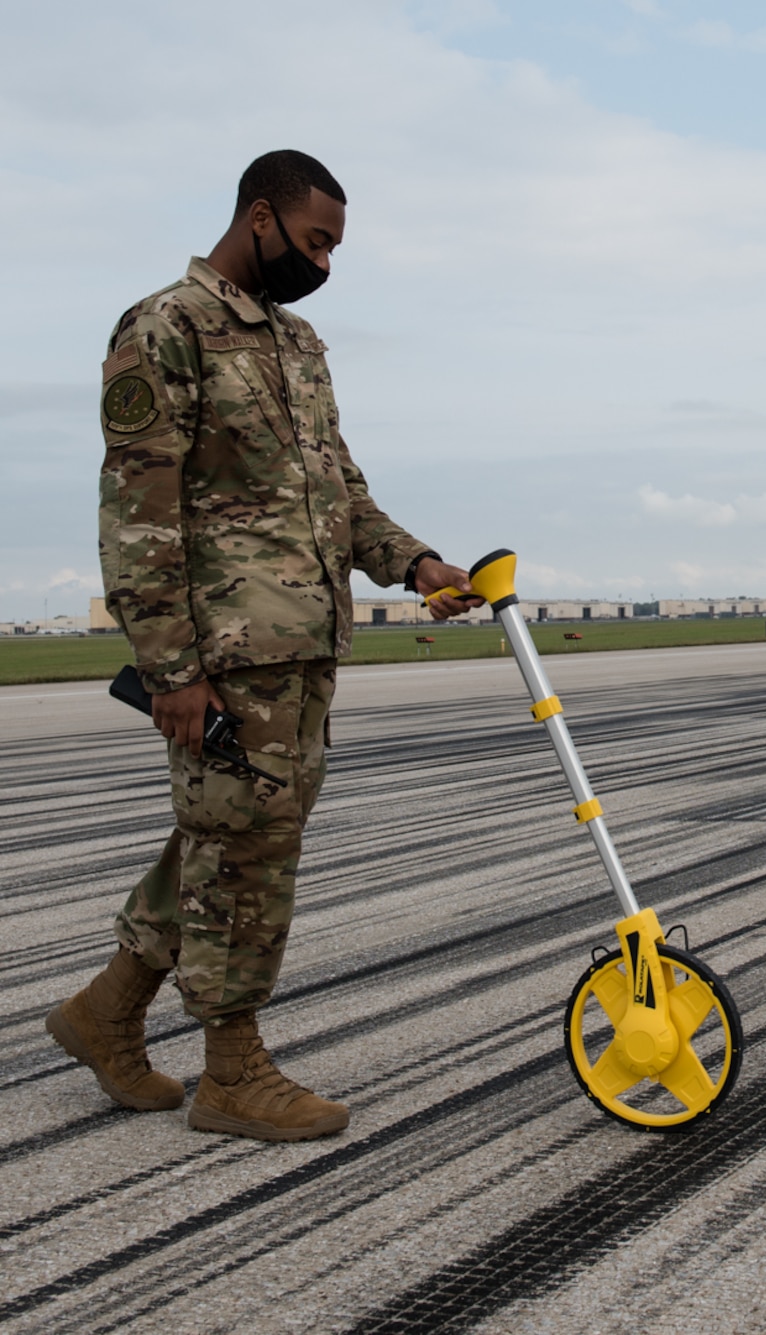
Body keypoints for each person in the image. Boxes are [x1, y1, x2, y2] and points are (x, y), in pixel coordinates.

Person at [48, 150, 480, 1142]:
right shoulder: (166, 327)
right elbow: (138, 514)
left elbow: (341, 494)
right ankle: (233, 1073)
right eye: (314, 241)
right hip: (226, 656)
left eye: (335, 247)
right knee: (247, 856)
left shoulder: (300, 343)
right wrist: (172, 669)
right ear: (259, 219)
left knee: (229, 838)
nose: (324, 264)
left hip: (302, 646)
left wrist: (418, 565)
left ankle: (104, 1016)